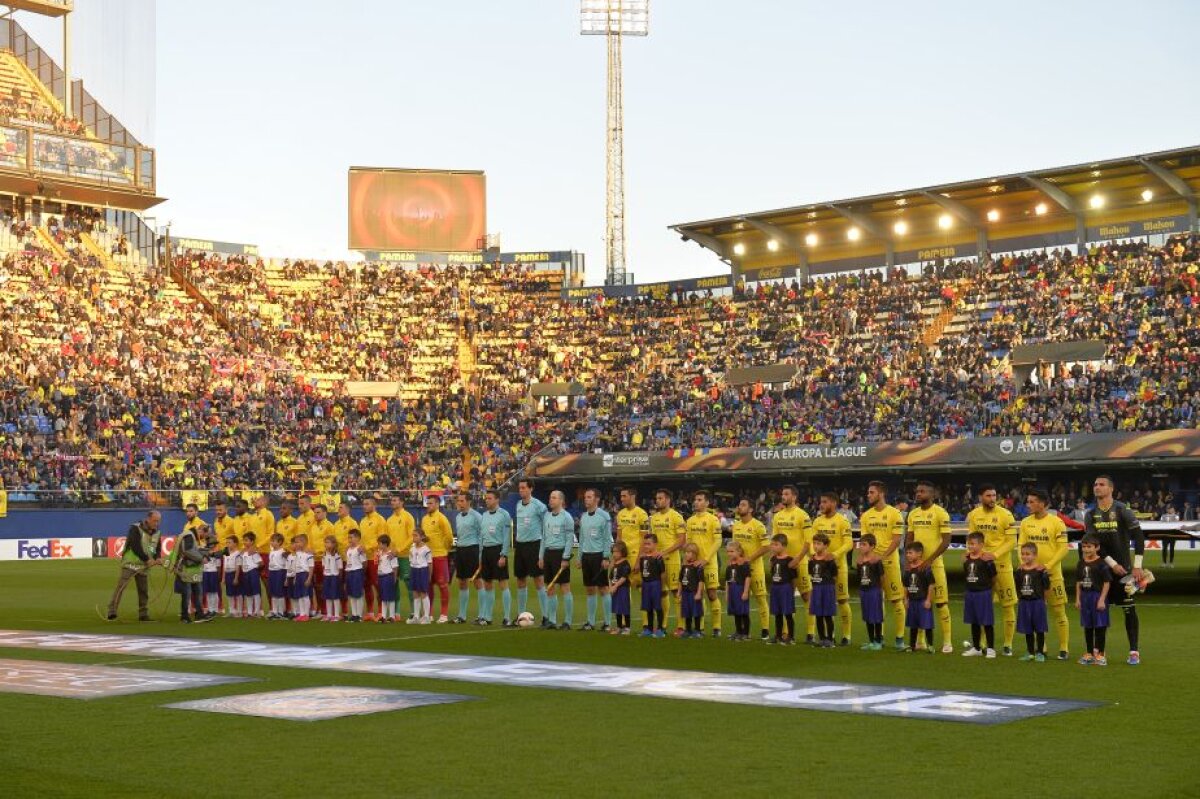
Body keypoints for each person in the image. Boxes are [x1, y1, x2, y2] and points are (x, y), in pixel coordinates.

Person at [1083, 475, 1145, 666]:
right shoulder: (1090, 514)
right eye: (1095, 484)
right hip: (1103, 571)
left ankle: (1134, 651)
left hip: (1125, 570)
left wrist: (1137, 565)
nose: (1097, 487)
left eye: (1101, 484)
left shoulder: (1122, 510)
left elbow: (1139, 537)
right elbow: (1095, 545)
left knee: (1128, 610)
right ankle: (1099, 651)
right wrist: (1111, 564)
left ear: (1111, 488)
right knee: (1100, 609)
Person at [966, 483, 1019, 655]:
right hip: (981, 568)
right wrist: (970, 555)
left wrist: (994, 555)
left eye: (994, 495)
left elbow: (1012, 541)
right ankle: (980, 645)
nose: (992, 499)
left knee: (1008, 604)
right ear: (980, 497)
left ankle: (1008, 644)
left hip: (1002, 566)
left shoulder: (1006, 514)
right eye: (988, 496)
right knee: (981, 605)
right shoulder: (974, 515)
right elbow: (972, 539)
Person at [1018, 488, 1071, 660]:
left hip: (1052, 574)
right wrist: (1027, 564)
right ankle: (1042, 648)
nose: (1028, 505)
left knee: (1058, 611)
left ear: (1042, 503)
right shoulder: (1026, 522)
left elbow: (1063, 548)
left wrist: (1048, 565)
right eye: (1028, 501)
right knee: (1036, 612)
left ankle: (1064, 648)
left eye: (1032, 501)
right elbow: (1021, 546)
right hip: (1032, 577)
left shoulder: (1056, 522)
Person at [905, 480, 954, 653]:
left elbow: (947, 540)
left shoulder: (940, 513)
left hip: (935, 566)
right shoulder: (913, 514)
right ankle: (920, 641)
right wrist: (908, 561)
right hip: (916, 567)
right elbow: (909, 538)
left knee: (941, 603)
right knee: (917, 602)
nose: (918, 494)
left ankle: (947, 641)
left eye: (922, 491)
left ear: (932, 494)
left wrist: (930, 560)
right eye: (917, 491)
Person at [859, 481, 906, 649]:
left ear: (881, 493)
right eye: (868, 492)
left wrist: (882, 556)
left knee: (896, 600)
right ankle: (879, 638)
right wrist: (863, 557)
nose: (868, 495)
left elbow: (896, 539)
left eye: (871, 492)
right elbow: (865, 541)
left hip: (890, 563)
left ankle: (900, 638)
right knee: (877, 600)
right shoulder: (866, 516)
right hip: (871, 565)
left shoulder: (895, 514)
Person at [811, 491, 854, 645]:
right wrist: (813, 554)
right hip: (820, 569)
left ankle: (846, 636)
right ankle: (829, 636)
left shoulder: (843, 521)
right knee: (823, 602)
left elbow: (849, 543)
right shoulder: (817, 522)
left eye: (824, 502)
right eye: (820, 502)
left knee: (842, 600)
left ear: (834, 503)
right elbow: (811, 542)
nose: (821, 505)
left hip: (838, 567)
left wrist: (834, 555)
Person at [771, 484, 813, 640]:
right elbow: (774, 540)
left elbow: (808, 541)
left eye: (787, 494)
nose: (783, 496)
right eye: (783, 494)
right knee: (785, 597)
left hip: (799, 561)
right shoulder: (778, 516)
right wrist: (773, 558)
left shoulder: (803, 515)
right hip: (782, 564)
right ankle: (784, 633)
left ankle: (810, 632)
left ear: (794, 497)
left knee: (806, 596)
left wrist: (798, 558)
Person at [106, 511, 164, 621]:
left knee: (143, 590)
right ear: (148, 519)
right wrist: (147, 559)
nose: (157, 523)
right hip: (130, 563)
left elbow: (158, 548)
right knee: (121, 587)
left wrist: (158, 558)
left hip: (143, 566)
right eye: (155, 521)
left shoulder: (157, 532)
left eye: (158, 521)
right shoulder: (135, 528)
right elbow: (135, 546)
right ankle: (112, 611)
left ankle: (143, 614)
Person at [729, 497, 771, 640]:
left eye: (743, 505)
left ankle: (765, 630)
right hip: (739, 570)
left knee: (760, 598)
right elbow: (734, 547)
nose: (739, 507)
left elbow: (766, 546)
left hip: (755, 569)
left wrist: (749, 558)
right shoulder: (736, 525)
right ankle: (740, 631)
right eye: (739, 504)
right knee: (739, 600)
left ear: (751, 509)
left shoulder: (758, 526)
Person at [685, 490, 724, 638]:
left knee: (712, 594)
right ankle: (699, 628)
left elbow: (718, 541)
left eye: (700, 500)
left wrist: (706, 558)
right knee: (698, 595)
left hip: (709, 563)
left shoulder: (713, 520)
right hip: (694, 565)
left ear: (707, 503)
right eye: (695, 500)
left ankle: (716, 627)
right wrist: (687, 560)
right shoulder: (690, 521)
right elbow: (688, 543)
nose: (696, 502)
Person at [649, 488, 686, 635]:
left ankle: (681, 627)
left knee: (676, 592)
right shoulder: (654, 518)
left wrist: (664, 552)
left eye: (661, 498)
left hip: (672, 560)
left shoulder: (676, 517)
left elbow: (682, 540)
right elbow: (652, 540)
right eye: (657, 498)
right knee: (662, 593)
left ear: (668, 500)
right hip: (657, 562)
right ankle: (662, 626)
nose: (658, 501)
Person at [577, 487, 614, 632]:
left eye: (589, 497)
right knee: (590, 589)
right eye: (585, 497)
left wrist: (606, 557)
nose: (586, 499)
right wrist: (580, 556)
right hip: (586, 556)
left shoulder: (604, 516)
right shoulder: (584, 516)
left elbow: (607, 539)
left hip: (599, 556)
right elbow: (581, 538)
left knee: (603, 588)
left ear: (597, 499)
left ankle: (607, 623)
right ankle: (590, 622)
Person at [513, 479, 549, 623]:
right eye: (519, 488)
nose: (521, 490)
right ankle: (521, 614)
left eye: (523, 488)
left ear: (531, 489)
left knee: (538, 580)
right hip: (520, 546)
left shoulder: (539, 506)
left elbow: (547, 525)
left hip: (535, 545)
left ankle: (546, 616)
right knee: (520, 580)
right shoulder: (518, 505)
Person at [539, 490, 575, 630]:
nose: (551, 500)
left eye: (554, 498)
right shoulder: (547, 516)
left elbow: (569, 540)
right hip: (548, 553)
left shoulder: (567, 517)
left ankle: (567, 621)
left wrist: (565, 557)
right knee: (550, 587)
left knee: (565, 586)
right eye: (550, 497)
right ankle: (552, 620)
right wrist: (541, 556)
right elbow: (544, 537)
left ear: (561, 501)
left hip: (560, 554)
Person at [1076, 533, 1113, 665]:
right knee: (1088, 626)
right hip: (1085, 598)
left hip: (1097, 596)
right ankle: (1089, 653)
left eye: (1089, 547)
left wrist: (1102, 599)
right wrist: (1078, 599)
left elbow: (1107, 582)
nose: (1086, 549)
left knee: (1100, 626)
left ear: (1097, 548)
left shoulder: (1101, 564)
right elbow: (1079, 582)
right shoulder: (1081, 563)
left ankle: (1101, 654)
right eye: (1084, 547)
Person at [478, 489, 513, 626]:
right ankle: (487, 617)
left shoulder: (504, 515)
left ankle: (506, 617)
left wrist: (503, 554)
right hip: (486, 551)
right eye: (486, 498)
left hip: (498, 550)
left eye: (490, 498)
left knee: (503, 583)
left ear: (497, 500)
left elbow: (506, 537)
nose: (487, 500)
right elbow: (482, 537)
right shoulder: (484, 515)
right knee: (487, 584)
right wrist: (481, 555)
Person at [961, 532, 997, 658]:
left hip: (983, 593)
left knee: (987, 622)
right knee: (974, 621)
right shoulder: (966, 559)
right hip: (971, 593)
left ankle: (991, 649)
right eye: (968, 544)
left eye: (973, 544)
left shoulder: (987, 560)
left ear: (981, 545)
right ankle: (976, 647)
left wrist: (989, 590)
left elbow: (993, 577)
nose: (970, 546)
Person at [421, 494, 455, 623]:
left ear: (437, 504)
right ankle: (428, 613)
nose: (428, 506)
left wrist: (444, 549)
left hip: (439, 555)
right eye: (427, 503)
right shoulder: (424, 519)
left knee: (442, 584)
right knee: (428, 585)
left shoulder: (442, 518)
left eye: (431, 503)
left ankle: (444, 614)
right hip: (426, 557)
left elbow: (449, 537)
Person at [452, 492, 483, 624]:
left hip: (473, 549)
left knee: (477, 581)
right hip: (461, 550)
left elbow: (482, 533)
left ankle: (482, 614)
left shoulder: (477, 516)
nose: (460, 503)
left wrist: (481, 553)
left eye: (462, 501)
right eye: (458, 501)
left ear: (469, 502)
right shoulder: (458, 516)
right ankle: (462, 615)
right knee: (462, 582)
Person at [1016, 542, 1050, 662]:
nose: (1025, 556)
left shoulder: (1041, 570)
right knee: (1027, 629)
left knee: (1039, 628)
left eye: (1028, 554)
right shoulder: (1019, 570)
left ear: (1035, 555)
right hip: (1024, 602)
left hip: (1037, 602)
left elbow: (1046, 587)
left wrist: (1044, 600)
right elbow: (1017, 586)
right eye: (1023, 554)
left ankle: (1040, 652)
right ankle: (1030, 652)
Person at [172, 521, 211, 624]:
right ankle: (185, 616)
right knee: (187, 593)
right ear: (201, 531)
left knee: (197, 592)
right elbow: (187, 551)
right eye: (205, 535)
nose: (204, 538)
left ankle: (199, 614)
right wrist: (201, 558)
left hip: (191, 569)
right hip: (185, 569)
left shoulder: (191, 535)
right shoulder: (189, 535)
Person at [616, 486, 649, 603]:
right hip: (623, 556)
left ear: (633, 497)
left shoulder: (642, 514)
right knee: (623, 587)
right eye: (621, 496)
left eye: (624, 496)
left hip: (636, 555)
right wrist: (616, 555)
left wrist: (639, 560)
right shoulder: (620, 514)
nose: (622, 499)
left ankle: (647, 619)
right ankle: (625, 620)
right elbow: (619, 537)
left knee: (641, 587)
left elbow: (645, 539)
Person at [807, 532, 838, 648]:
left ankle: (830, 639)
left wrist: (828, 585)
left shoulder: (829, 559)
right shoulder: (812, 560)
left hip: (827, 588)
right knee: (818, 614)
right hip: (816, 588)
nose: (815, 546)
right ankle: (822, 639)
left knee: (828, 615)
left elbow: (834, 575)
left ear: (825, 545)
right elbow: (811, 573)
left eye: (818, 544)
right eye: (814, 543)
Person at [386, 495, 416, 617]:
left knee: (409, 583)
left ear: (401, 502)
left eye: (395, 500)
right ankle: (396, 612)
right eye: (391, 500)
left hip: (405, 556)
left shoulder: (408, 517)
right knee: (394, 583)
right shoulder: (389, 519)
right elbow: (387, 539)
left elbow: (411, 537)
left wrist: (399, 549)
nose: (392, 502)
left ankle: (414, 611)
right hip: (392, 556)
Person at [359, 496, 387, 620]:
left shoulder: (380, 520)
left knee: (377, 584)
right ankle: (370, 612)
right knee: (366, 584)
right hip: (364, 557)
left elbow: (382, 539)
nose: (364, 506)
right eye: (363, 504)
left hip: (376, 556)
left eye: (367, 504)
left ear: (373, 505)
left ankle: (381, 611)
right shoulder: (363, 521)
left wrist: (369, 547)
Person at [903, 542, 934, 653]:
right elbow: (905, 585)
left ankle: (930, 646)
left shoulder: (925, 568)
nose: (908, 555)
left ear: (919, 553)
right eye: (907, 553)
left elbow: (931, 584)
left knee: (927, 624)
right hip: (912, 601)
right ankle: (912, 646)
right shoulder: (907, 569)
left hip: (922, 600)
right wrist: (905, 599)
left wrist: (928, 600)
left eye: (910, 553)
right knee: (913, 624)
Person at [855, 535, 885, 650]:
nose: (861, 547)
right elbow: (859, 577)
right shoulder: (859, 561)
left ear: (872, 546)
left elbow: (882, 576)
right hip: (864, 591)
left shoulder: (876, 560)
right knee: (867, 616)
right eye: (860, 544)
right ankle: (871, 641)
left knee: (876, 616)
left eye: (864, 545)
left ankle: (878, 640)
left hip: (874, 590)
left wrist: (879, 590)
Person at [767, 533, 798, 645]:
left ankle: (791, 636)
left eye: (776, 544)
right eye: (772, 544)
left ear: (784, 546)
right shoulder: (773, 559)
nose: (773, 547)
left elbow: (794, 577)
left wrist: (792, 590)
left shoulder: (789, 559)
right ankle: (778, 635)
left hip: (785, 587)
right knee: (777, 613)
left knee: (788, 613)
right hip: (775, 587)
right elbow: (772, 572)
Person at [309, 504, 335, 617]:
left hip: (324, 560)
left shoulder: (329, 526)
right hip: (313, 560)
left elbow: (331, 543)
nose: (316, 514)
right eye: (315, 512)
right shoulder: (312, 526)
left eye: (318, 512)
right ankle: (319, 609)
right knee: (315, 586)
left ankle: (327, 610)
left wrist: (320, 551)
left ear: (325, 513)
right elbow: (309, 541)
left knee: (324, 585)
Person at [638, 534, 666, 637]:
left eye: (649, 544)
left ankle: (660, 629)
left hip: (655, 584)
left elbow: (663, 573)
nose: (646, 546)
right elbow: (642, 571)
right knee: (648, 607)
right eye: (645, 544)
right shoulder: (642, 557)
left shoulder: (658, 558)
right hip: (646, 584)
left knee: (657, 607)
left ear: (655, 544)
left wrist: (662, 587)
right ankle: (649, 628)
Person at [725, 541, 752, 641]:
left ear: (739, 551)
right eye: (728, 552)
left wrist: (745, 592)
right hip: (732, 589)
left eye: (732, 551)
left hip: (740, 589)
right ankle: (738, 631)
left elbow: (748, 578)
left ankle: (746, 633)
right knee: (736, 612)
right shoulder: (729, 564)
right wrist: (727, 593)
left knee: (743, 612)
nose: (729, 554)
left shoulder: (744, 563)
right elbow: (728, 580)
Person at [678, 543, 705, 639]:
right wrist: (679, 592)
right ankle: (688, 630)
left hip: (694, 593)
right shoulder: (684, 566)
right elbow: (680, 580)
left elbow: (701, 581)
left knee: (696, 612)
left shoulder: (698, 567)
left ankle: (698, 630)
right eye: (685, 552)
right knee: (687, 612)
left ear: (694, 554)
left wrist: (698, 593)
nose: (686, 554)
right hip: (685, 593)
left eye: (688, 552)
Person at [608, 540, 632, 635]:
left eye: (617, 552)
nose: (614, 554)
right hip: (614, 589)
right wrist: (610, 587)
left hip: (623, 589)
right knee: (617, 609)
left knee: (624, 608)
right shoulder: (614, 564)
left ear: (623, 552)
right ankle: (619, 627)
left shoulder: (625, 564)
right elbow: (610, 577)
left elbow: (624, 577)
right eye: (613, 552)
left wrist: (616, 586)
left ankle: (627, 627)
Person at [410, 529, 433, 624]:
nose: (414, 537)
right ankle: (416, 616)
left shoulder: (426, 549)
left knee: (423, 592)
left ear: (422, 537)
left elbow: (430, 563)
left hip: (422, 570)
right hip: (414, 570)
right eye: (413, 535)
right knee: (415, 593)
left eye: (416, 535)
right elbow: (411, 559)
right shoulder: (412, 547)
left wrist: (429, 575)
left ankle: (427, 617)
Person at [344, 529, 367, 622]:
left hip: (357, 572)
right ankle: (354, 614)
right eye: (348, 537)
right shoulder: (348, 549)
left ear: (357, 538)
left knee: (358, 594)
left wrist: (361, 572)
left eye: (351, 537)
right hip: (349, 572)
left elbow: (364, 562)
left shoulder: (359, 549)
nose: (349, 539)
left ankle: (359, 615)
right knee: (351, 594)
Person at [376, 534, 399, 622]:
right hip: (381, 576)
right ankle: (384, 616)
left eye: (379, 544)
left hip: (388, 576)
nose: (378, 545)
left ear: (385, 544)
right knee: (383, 596)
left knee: (390, 597)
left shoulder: (391, 554)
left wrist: (394, 578)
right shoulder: (380, 553)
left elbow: (395, 567)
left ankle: (392, 616)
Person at [240, 532, 263, 618]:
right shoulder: (243, 552)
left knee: (256, 592)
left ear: (252, 541)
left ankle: (256, 612)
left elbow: (261, 563)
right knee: (248, 593)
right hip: (245, 573)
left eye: (246, 540)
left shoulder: (254, 552)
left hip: (253, 572)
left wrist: (254, 568)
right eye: (244, 540)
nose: (244, 542)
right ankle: (249, 612)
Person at [266, 532, 289, 619]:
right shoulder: (271, 551)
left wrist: (286, 576)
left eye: (274, 541)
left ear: (280, 542)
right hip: (272, 572)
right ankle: (275, 612)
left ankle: (281, 612)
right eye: (271, 541)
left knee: (280, 593)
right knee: (273, 593)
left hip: (280, 572)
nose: (272, 542)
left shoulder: (283, 552)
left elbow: (287, 564)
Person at [291, 535, 314, 621]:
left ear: (304, 542)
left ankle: (306, 615)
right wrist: (295, 578)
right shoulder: (297, 553)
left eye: (297, 542)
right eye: (295, 542)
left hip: (305, 574)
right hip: (298, 575)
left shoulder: (309, 554)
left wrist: (309, 578)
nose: (295, 544)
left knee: (305, 595)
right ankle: (301, 614)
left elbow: (311, 567)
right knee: (299, 595)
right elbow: (297, 566)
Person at [321, 535, 343, 622]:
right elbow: (323, 566)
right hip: (327, 576)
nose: (326, 544)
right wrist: (325, 574)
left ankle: (337, 615)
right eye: (325, 542)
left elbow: (340, 568)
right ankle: (329, 614)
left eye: (328, 542)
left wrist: (339, 578)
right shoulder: (324, 554)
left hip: (335, 577)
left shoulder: (337, 555)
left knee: (335, 596)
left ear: (334, 544)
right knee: (328, 596)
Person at [222, 534, 242, 617]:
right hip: (227, 574)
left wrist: (236, 578)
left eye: (229, 542)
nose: (227, 544)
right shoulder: (226, 553)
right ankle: (231, 610)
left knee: (238, 593)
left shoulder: (238, 554)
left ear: (235, 543)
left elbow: (238, 567)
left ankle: (239, 611)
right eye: (227, 542)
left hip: (234, 574)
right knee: (229, 593)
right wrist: (223, 578)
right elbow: (224, 566)